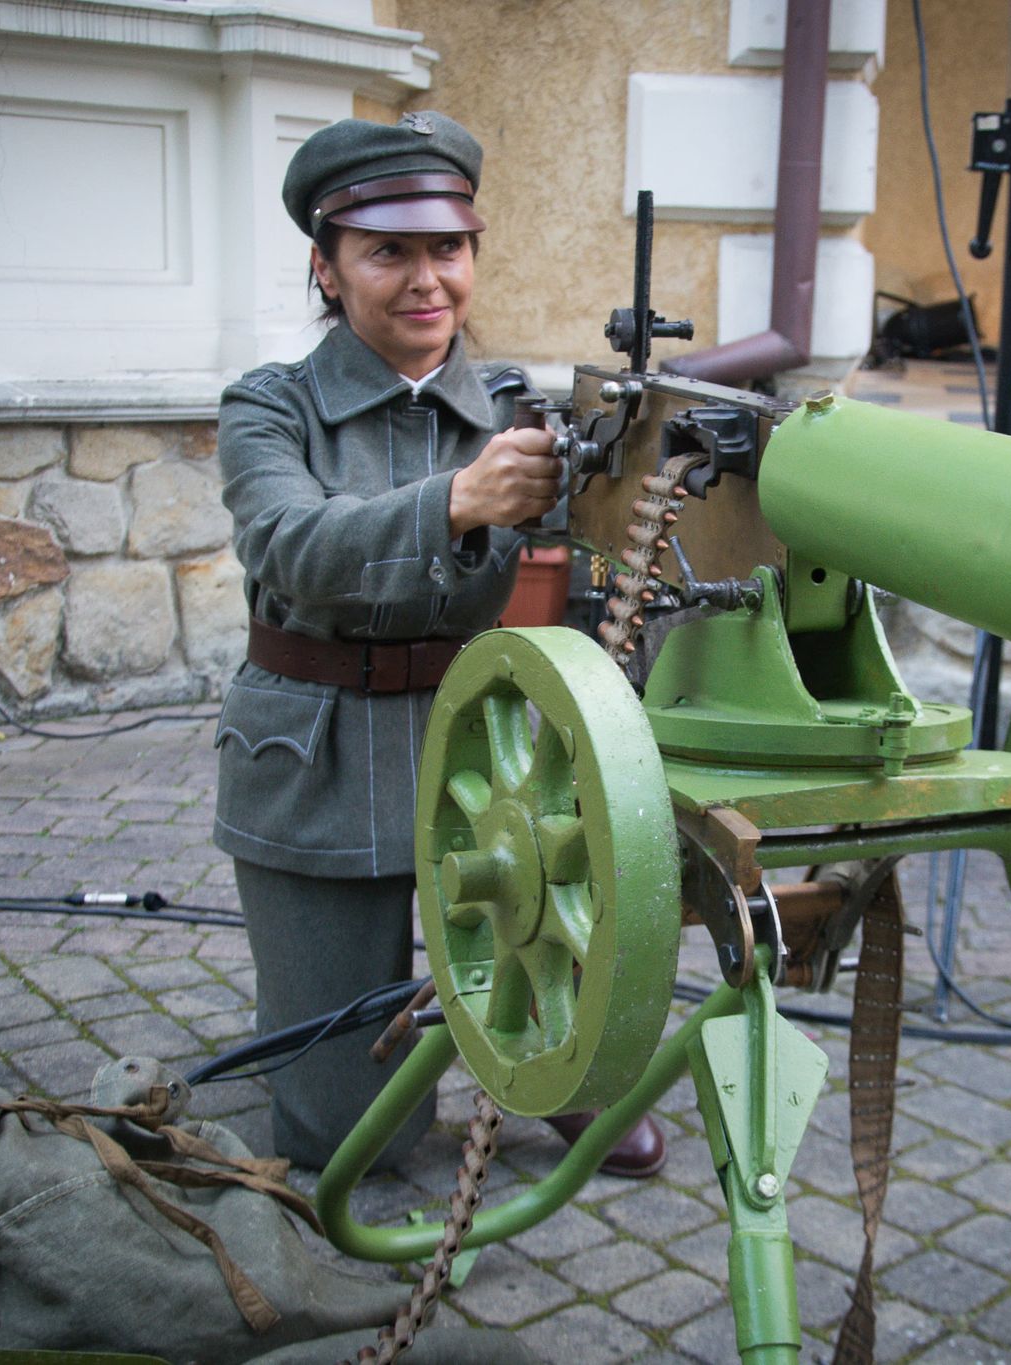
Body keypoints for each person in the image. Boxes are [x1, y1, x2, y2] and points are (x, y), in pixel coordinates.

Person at [213, 111, 666, 1177]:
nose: (427, 281)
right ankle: (363, 1063)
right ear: (327, 271)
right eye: (388, 253)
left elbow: (608, 562)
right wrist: (459, 499)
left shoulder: (521, 408)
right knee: (346, 1143)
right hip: (316, 753)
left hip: (489, 742)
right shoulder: (269, 408)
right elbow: (290, 547)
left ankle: (550, 1066)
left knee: (553, 940)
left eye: (447, 250)